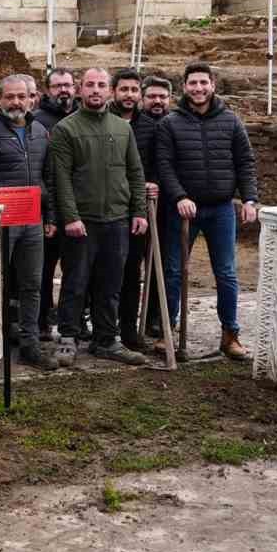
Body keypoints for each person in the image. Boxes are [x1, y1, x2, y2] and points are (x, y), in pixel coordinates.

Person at [156, 62, 260, 361]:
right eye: (193, 83)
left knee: (226, 273)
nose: (198, 88)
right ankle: (168, 331)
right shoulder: (170, 123)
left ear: (213, 84)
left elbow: (245, 163)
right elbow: (165, 165)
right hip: (183, 209)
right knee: (174, 270)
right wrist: (179, 196)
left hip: (221, 209)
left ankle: (230, 334)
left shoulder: (230, 121)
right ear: (184, 87)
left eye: (203, 82)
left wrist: (250, 199)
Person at [47, 67, 149, 366]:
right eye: (90, 84)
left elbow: (135, 172)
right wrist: (70, 217)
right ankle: (68, 337)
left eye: (101, 85)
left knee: (111, 283)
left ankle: (107, 339)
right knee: (75, 282)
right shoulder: (67, 129)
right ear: (80, 89)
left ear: (109, 91)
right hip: (82, 221)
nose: (95, 89)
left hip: (117, 220)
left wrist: (138, 210)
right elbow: (60, 179)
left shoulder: (122, 128)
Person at [0, 73, 57, 371]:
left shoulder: (40, 131)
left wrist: (50, 216)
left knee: (32, 284)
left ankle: (30, 344)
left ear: (31, 98)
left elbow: (47, 179)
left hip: (32, 219)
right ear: (0, 99)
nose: (16, 102)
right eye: (10, 96)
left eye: (22, 96)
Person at [109, 68, 163, 353]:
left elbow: (159, 162)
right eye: (123, 89)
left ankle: (129, 330)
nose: (129, 95)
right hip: (107, 208)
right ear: (113, 91)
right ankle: (102, 329)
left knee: (131, 271)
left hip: (137, 210)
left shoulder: (152, 127)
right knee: (104, 271)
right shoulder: (103, 121)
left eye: (133, 90)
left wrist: (153, 182)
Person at [34, 67, 77, 343]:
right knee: (44, 270)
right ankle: (41, 320)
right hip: (47, 208)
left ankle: (73, 321)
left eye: (68, 85)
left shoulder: (83, 118)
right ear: (47, 90)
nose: (63, 90)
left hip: (77, 206)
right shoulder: (37, 121)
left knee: (76, 269)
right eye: (57, 85)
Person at [138, 76, 174, 338]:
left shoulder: (175, 125)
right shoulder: (136, 126)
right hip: (137, 205)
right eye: (152, 96)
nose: (157, 101)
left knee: (161, 265)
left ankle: (155, 317)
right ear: (143, 98)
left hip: (167, 206)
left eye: (162, 96)